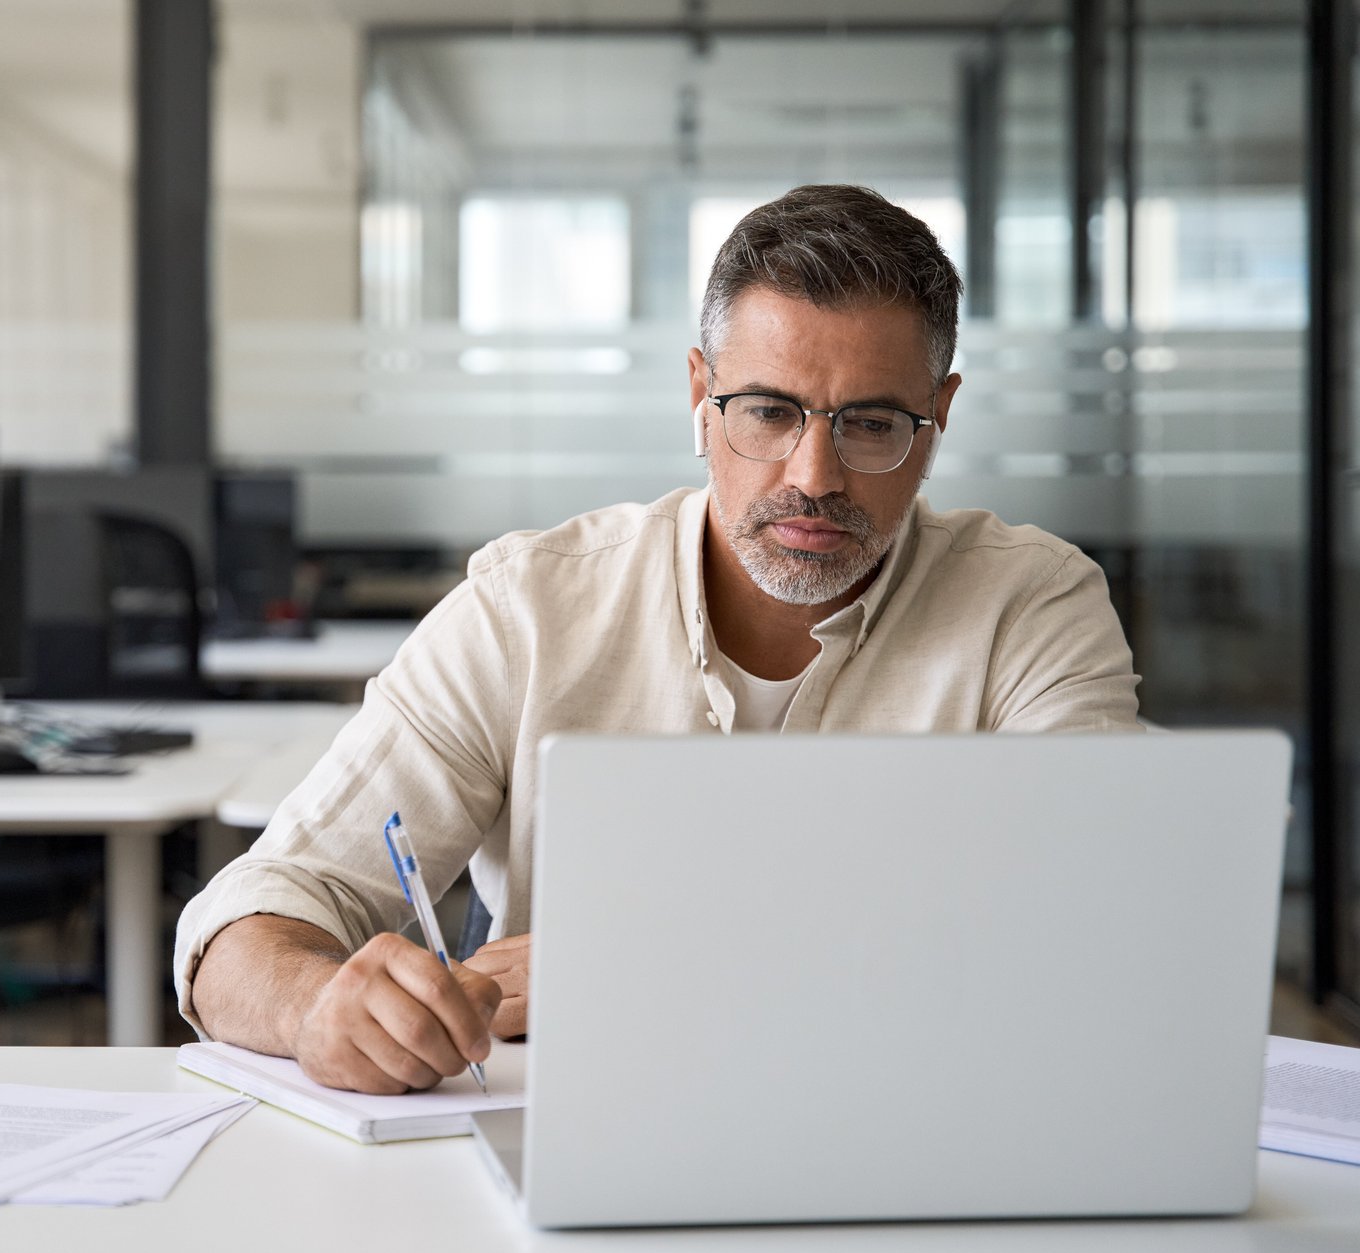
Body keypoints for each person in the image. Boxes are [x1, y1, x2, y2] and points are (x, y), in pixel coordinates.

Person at [175, 184, 1141, 1094]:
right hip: (579, 1132)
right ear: (699, 393)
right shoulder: (531, 609)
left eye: (873, 423)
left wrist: (642, 965)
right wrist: (316, 1007)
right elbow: (250, 918)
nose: (814, 474)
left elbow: (1101, 927)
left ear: (938, 422)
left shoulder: (1032, 607)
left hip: (915, 1121)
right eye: (766, 411)